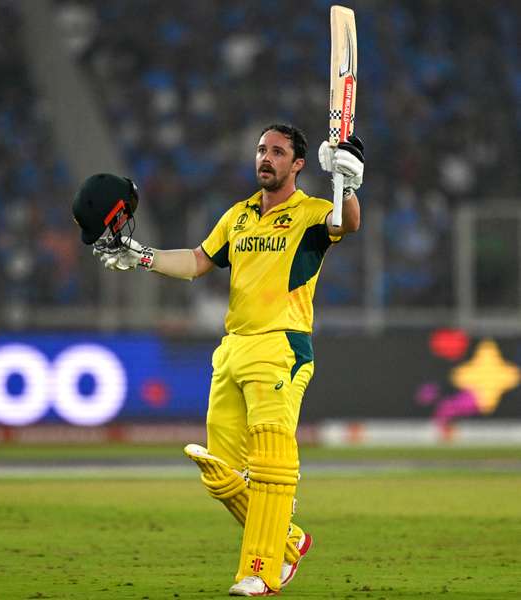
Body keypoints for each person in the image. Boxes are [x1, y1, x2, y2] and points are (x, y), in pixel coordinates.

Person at [72, 124, 364, 596]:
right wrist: (139, 256)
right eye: (261, 150)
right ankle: (289, 540)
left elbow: (347, 223)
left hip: (281, 346)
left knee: (270, 461)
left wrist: (348, 184)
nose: (265, 158)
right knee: (223, 474)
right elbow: (195, 262)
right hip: (233, 349)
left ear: (298, 165)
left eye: (277, 152)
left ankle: (262, 571)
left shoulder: (313, 212)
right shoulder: (239, 216)